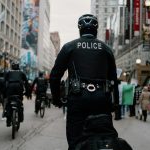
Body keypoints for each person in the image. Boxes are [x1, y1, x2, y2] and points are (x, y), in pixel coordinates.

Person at [49, 14, 119, 150]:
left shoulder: (69, 47)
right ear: (96, 29)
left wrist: (57, 99)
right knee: (104, 140)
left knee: (75, 142)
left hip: (78, 99)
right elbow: (114, 80)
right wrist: (115, 105)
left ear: (79, 28)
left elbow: (54, 77)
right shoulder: (106, 49)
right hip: (101, 100)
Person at [4, 61, 31, 126]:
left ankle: (8, 120)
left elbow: (4, 82)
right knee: (19, 102)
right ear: (18, 66)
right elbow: (26, 84)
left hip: (10, 87)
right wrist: (28, 93)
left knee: (8, 103)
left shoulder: (8, 72)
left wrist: (4, 92)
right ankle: (20, 117)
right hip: (19, 88)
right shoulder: (21, 73)